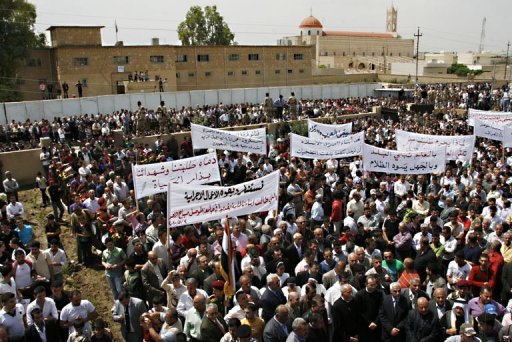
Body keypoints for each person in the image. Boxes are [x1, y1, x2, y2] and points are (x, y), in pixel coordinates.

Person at [101, 237, 127, 301]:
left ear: (113, 244)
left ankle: (123, 301)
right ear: (106, 245)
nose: (109, 246)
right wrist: (106, 265)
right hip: (108, 274)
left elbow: (125, 259)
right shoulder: (104, 252)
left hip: (118, 274)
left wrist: (117, 265)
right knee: (113, 289)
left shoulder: (119, 250)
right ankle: (116, 302)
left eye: (111, 244)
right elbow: (103, 261)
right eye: (108, 245)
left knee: (119, 289)